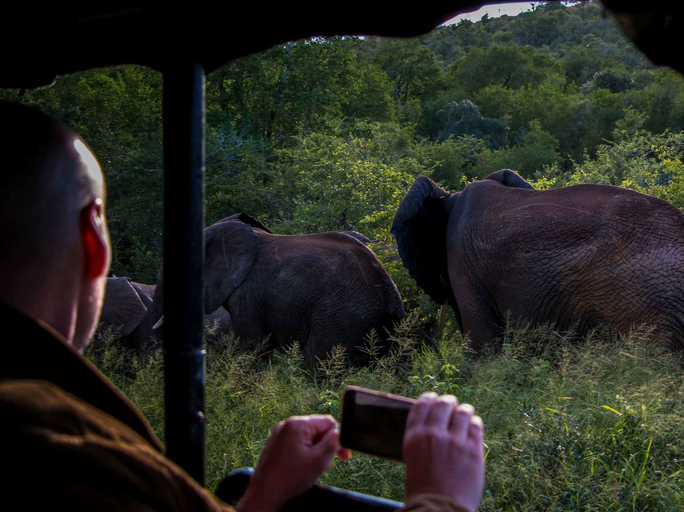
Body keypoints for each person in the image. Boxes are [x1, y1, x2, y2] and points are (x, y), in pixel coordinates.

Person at [0, 101, 485, 512]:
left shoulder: (50, 436)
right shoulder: (71, 449)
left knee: (329, 377)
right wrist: (439, 497)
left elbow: (254, 348)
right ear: (94, 239)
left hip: (332, 305)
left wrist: (261, 496)